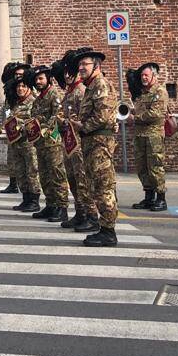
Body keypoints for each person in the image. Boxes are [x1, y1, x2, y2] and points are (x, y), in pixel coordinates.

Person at [71, 50, 119, 247]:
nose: (81, 68)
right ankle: (104, 228)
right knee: (96, 186)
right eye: (80, 65)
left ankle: (109, 231)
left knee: (103, 186)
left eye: (86, 64)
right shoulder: (91, 87)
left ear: (96, 66)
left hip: (99, 143)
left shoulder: (100, 84)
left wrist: (83, 126)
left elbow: (104, 116)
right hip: (91, 142)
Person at [55, 49, 98, 232]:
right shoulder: (69, 93)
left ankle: (91, 215)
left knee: (83, 181)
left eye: (69, 73)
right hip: (69, 143)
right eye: (64, 73)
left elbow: (84, 118)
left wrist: (69, 122)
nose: (66, 76)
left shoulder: (81, 91)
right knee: (73, 180)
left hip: (79, 143)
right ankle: (80, 212)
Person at [29, 65, 70, 222]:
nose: (38, 82)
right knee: (45, 176)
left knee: (57, 174)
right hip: (41, 143)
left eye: (41, 79)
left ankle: (62, 207)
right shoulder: (39, 99)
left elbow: (57, 115)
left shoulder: (54, 95)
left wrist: (44, 126)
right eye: (36, 79)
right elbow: (34, 117)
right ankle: (51, 204)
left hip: (53, 142)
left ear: (48, 79)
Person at [129, 63, 170, 212]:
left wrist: (135, 118)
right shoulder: (142, 93)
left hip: (153, 135)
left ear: (154, 76)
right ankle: (148, 197)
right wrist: (131, 112)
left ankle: (161, 198)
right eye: (142, 76)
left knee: (155, 166)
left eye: (146, 75)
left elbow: (155, 114)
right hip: (140, 134)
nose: (144, 78)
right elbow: (140, 110)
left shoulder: (160, 92)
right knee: (142, 167)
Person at [2, 63, 40, 212]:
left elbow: (36, 120)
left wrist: (21, 124)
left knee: (31, 171)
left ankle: (34, 200)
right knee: (21, 172)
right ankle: (25, 199)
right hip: (16, 143)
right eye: (18, 87)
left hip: (28, 143)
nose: (20, 89)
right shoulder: (16, 103)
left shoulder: (33, 101)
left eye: (23, 86)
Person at [0, 61, 26, 195]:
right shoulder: (11, 89)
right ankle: (13, 183)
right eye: (16, 74)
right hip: (12, 127)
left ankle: (25, 188)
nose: (18, 77)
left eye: (21, 74)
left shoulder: (25, 87)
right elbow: (8, 107)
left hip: (23, 130)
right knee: (11, 156)